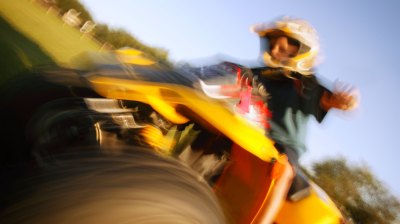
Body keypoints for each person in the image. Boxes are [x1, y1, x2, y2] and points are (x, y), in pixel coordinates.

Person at [248, 17, 358, 223]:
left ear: (302, 50)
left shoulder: (306, 84)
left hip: (283, 145)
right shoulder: (259, 74)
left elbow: (328, 101)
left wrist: (343, 102)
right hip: (250, 130)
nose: (274, 50)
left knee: (284, 169)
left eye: (282, 46)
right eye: (272, 45)